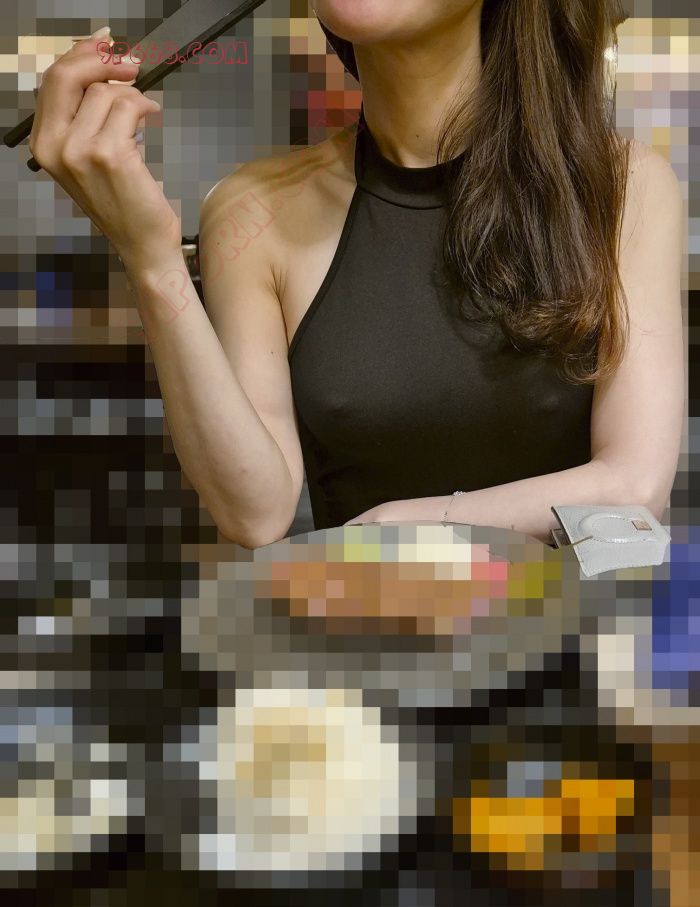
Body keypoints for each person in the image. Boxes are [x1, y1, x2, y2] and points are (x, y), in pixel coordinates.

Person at [28, 1, 685, 549]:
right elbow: (255, 510)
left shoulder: (624, 189)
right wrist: (152, 261)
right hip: (356, 656)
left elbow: (633, 490)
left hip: (573, 654)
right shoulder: (255, 212)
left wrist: (401, 529)